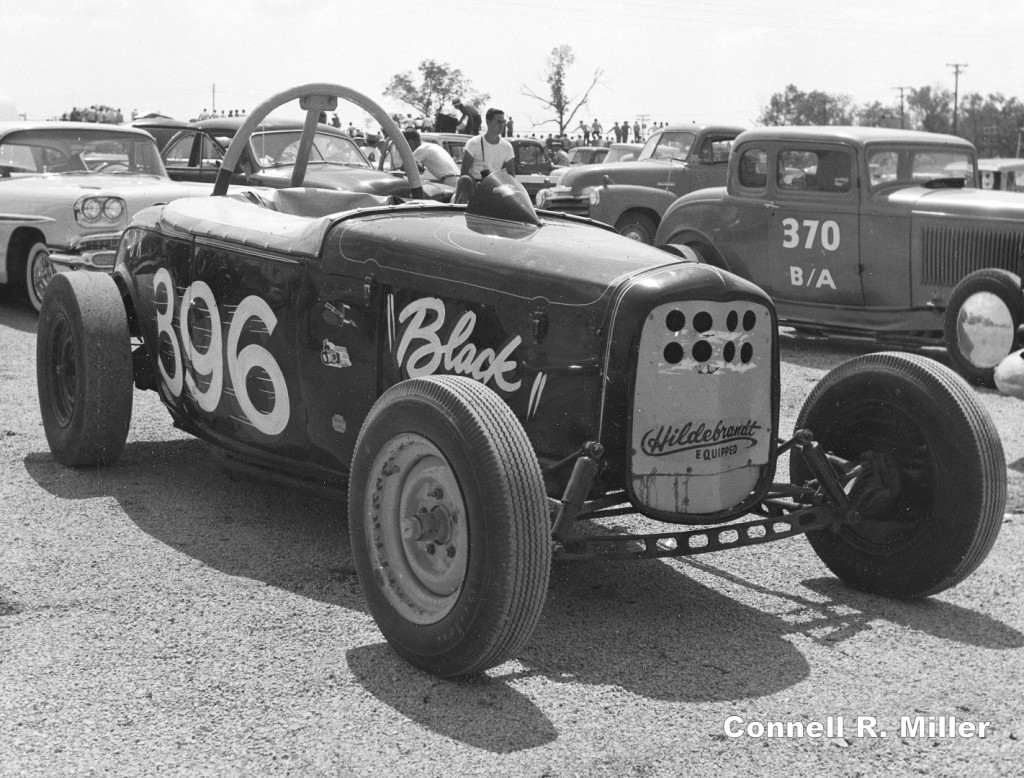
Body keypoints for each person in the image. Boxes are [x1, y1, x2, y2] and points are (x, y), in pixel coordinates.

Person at [455, 107, 515, 202]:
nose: (502, 125)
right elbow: (464, 172)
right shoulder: (473, 143)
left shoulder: (507, 146)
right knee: (464, 180)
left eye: (503, 122)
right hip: (473, 188)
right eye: (498, 122)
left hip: (495, 188)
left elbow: (511, 175)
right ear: (488, 122)